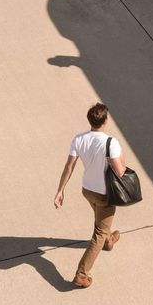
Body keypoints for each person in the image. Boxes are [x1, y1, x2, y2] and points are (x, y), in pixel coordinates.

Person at [54, 102, 125, 288]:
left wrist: (60, 190)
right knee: (99, 233)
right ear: (105, 120)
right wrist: (122, 159)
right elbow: (120, 172)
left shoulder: (78, 139)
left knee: (101, 221)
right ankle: (82, 273)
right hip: (104, 194)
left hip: (87, 190)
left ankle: (109, 241)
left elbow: (69, 167)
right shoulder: (111, 143)